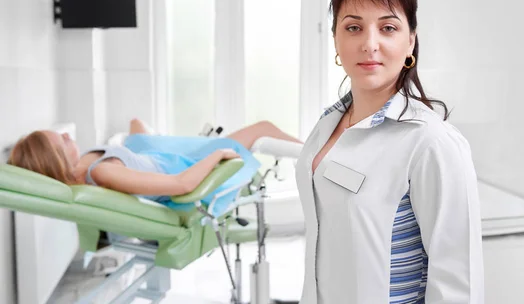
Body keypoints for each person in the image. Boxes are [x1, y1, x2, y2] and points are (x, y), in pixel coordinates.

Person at [295, 0, 484, 304]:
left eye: (388, 28)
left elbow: (459, 283)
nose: (370, 44)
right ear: (335, 39)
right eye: (353, 27)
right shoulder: (327, 124)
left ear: (410, 40)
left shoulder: (431, 142)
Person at [7, 118, 302, 202]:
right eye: (63, 140)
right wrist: (216, 154)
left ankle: (155, 136)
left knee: (137, 123)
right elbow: (181, 183)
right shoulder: (102, 172)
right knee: (263, 128)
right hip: (180, 164)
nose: (70, 136)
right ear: (55, 159)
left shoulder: (87, 163)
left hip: (150, 154)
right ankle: (323, 154)